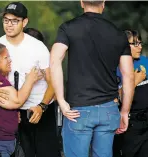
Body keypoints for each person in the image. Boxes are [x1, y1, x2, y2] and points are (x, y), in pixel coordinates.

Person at [50, 1, 135, 157]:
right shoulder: (118, 34)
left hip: (78, 110)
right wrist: (125, 111)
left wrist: (61, 101)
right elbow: (129, 75)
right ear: (103, 3)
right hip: (109, 109)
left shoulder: (69, 27)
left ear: (82, 2)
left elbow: (54, 61)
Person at [0, 2, 59, 157]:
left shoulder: (37, 47)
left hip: (39, 110)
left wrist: (42, 107)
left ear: (25, 22)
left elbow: (53, 82)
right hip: (10, 114)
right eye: (6, 20)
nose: (9, 25)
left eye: (15, 21)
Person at [0, 43, 42, 157]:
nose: (10, 60)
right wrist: (30, 80)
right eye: (5, 58)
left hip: (3, 140)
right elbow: (16, 101)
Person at [116, 30, 148, 157]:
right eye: (135, 44)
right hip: (129, 124)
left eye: (140, 43)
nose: (139, 47)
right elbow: (117, 97)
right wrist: (133, 82)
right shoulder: (116, 67)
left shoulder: (145, 61)